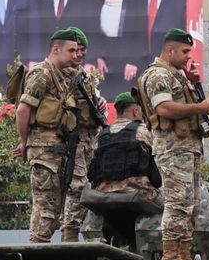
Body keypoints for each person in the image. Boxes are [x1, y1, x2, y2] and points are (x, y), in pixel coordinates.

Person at [136, 28, 209, 260]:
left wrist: (193, 83)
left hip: (187, 148)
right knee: (177, 203)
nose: (188, 56)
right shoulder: (158, 75)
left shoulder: (176, 75)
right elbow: (163, 108)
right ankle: (171, 257)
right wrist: (200, 108)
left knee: (191, 203)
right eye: (185, 51)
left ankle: (183, 254)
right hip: (173, 148)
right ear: (170, 50)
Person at [13, 28, 81, 243]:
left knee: (55, 211)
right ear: (56, 49)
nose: (75, 55)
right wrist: (24, 143)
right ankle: (34, 259)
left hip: (58, 151)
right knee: (45, 208)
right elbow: (23, 110)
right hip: (43, 152)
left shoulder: (63, 76)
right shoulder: (42, 73)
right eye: (71, 50)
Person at [60, 28, 107, 241]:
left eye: (82, 50)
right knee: (76, 188)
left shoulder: (86, 77)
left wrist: (101, 104)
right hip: (73, 139)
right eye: (75, 50)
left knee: (90, 187)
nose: (78, 54)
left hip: (90, 139)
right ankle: (69, 236)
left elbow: (94, 104)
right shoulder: (57, 74)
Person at [87, 91, 162, 207]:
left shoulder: (101, 135)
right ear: (135, 111)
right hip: (140, 195)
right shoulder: (144, 132)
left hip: (104, 196)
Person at [94, 0, 145, 90]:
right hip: (104, 56)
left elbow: (141, 32)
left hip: (127, 55)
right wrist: (97, 56)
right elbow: (93, 30)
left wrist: (133, 61)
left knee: (124, 99)